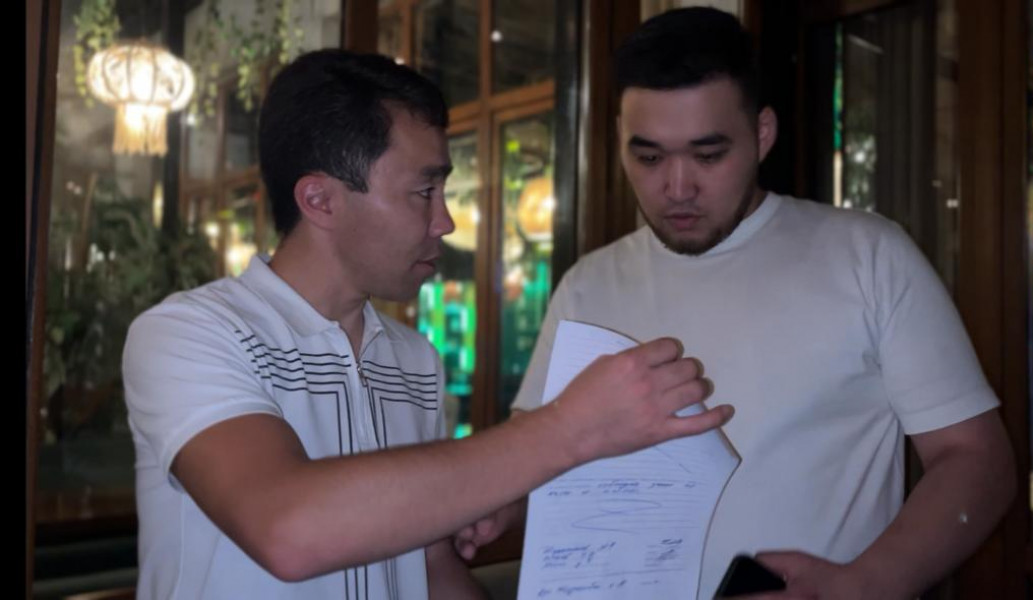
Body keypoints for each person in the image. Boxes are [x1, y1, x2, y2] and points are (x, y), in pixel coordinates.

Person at [121, 49, 731, 600]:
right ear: (320, 200)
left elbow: (431, 569)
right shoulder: (190, 334)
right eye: (424, 191)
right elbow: (287, 529)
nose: (446, 222)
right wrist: (569, 428)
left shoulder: (413, 357)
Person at [491, 8, 1016, 599]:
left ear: (762, 134)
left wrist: (867, 583)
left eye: (708, 155)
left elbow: (977, 460)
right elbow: (532, 459)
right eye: (650, 157)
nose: (678, 187)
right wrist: (495, 508)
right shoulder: (587, 284)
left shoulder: (868, 257)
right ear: (619, 138)